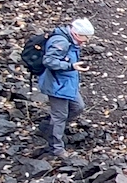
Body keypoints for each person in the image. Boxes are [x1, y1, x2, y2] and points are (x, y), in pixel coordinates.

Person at [36, 18, 94, 158]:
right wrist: (70, 66)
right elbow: (49, 61)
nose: (86, 41)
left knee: (78, 107)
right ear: (78, 34)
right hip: (57, 85)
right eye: (86, 38)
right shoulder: (61, 42)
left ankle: (48, 128)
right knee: (59, 116)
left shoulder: (71, 41)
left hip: (67, 84)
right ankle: (56, 148)